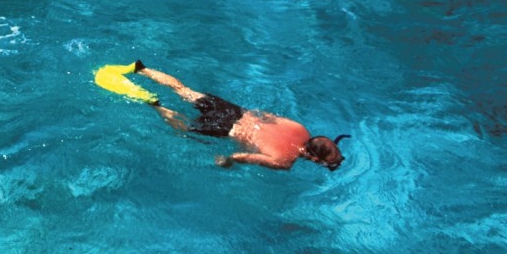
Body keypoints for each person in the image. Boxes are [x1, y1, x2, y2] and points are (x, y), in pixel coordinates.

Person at [133, 60, 348, 171]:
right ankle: (155, 105)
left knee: (184, 91)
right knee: (184, 128)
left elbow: (264, 115)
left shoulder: (299, 128)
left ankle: (142, 69)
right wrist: (225, 162)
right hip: (226, 130)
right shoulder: (284, 161)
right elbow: (240, 157)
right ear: (313, 157)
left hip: (234, 111)